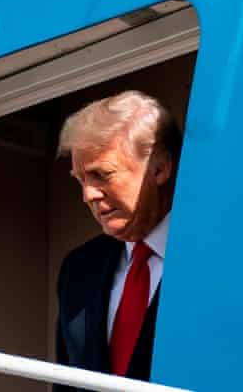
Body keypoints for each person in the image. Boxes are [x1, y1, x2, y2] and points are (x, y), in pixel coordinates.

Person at [54, 90, 182, 390]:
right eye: (81, 180)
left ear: (160, 168)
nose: (88, 195)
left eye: (102, 174)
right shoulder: (78, 269)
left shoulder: (215, 256)